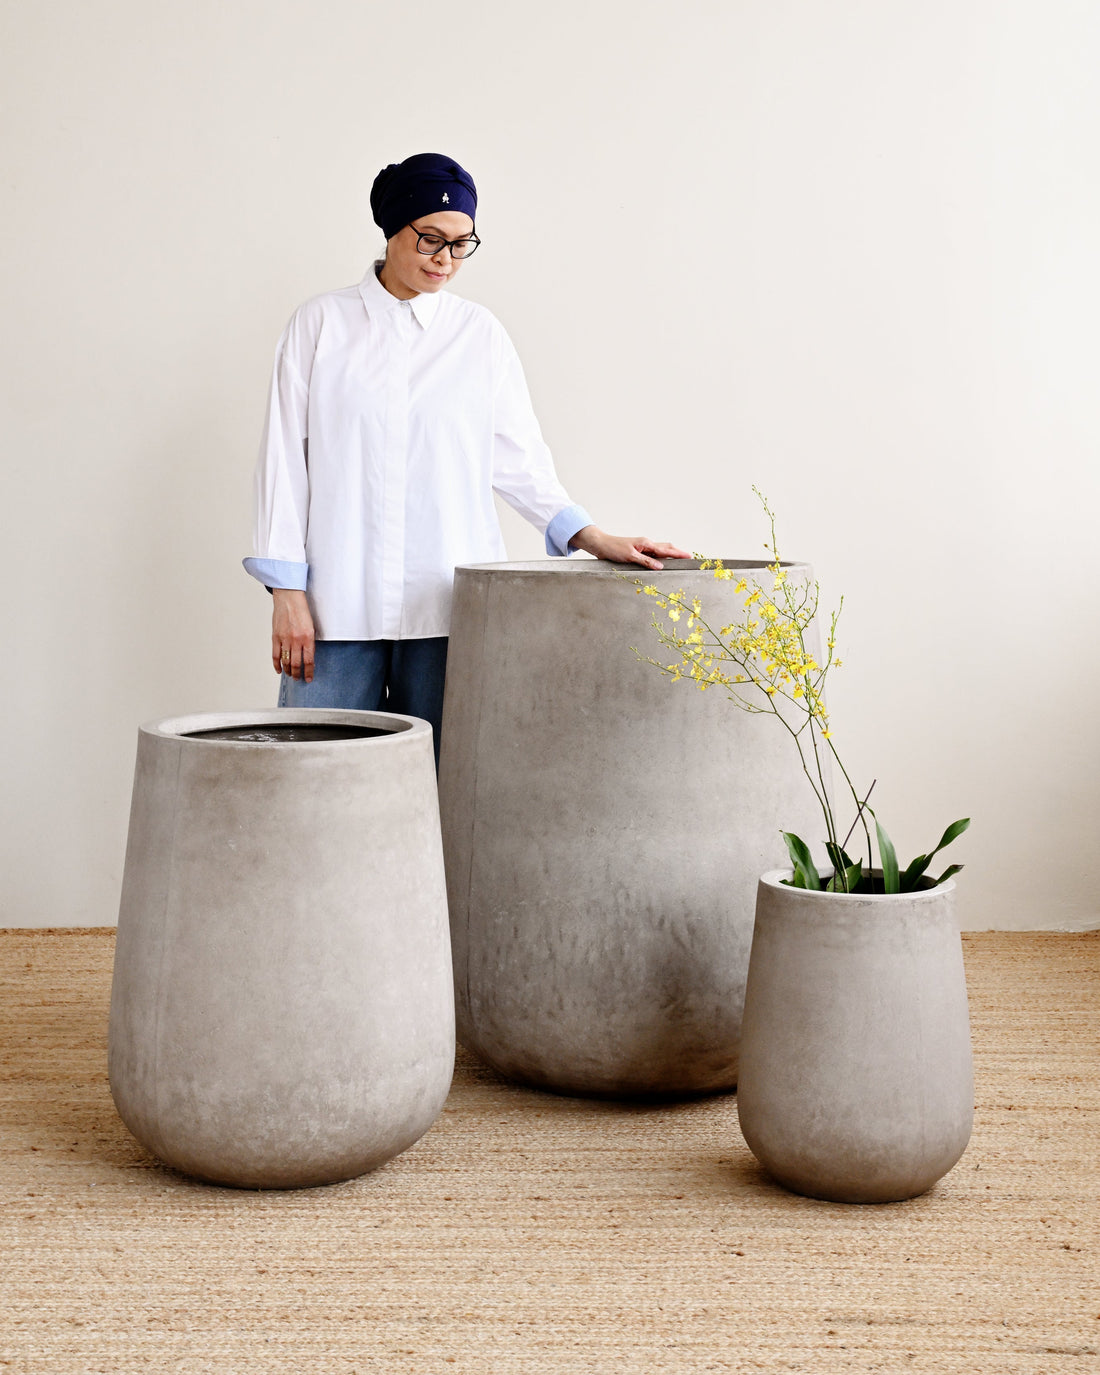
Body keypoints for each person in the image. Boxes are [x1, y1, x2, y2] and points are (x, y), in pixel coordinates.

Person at [244, 153, 688, 760]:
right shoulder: (319, 325)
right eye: (430, 240)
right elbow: (282, 464)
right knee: (315, 780)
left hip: (448, 604)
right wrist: (285, 592)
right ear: (393, 230)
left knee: (444, 783)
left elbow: (518, 460)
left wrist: (592, 536)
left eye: (461, 244)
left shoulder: (479, 336)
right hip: (333, 607)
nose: (445, 260)